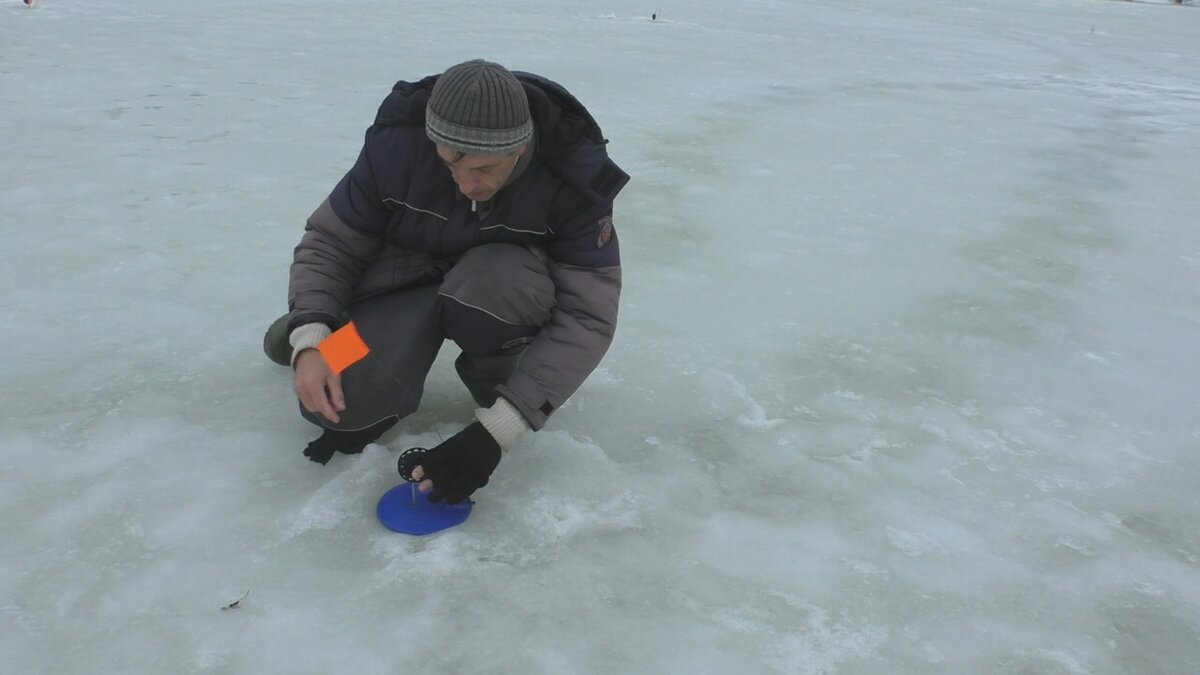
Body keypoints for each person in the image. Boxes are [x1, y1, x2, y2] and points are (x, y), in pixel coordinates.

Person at [263, 59, 628, 505]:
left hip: (492, 291)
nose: (466, 185)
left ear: (520, 148)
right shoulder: (397, 147)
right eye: (450, 162)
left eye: (485, 168)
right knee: (341, 403)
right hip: (402, 287)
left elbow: (587, 315)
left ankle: (499, 375)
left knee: (499, 280)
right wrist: (311, 337)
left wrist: (499, 429)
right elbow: (331, 243)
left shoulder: (573, 179)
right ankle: (318, 330)